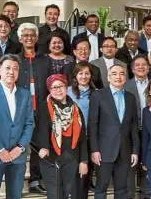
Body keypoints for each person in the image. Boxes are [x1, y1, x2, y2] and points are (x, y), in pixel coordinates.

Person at [0, 54, 34, 199]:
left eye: (15, 68)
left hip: (17, 156)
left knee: (15, 196)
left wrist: (20, 147)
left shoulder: (24, 94)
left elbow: (29, 123)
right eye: (7, 68)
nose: (11, 72)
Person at [88, 64, 139, 199]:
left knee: (122, 190)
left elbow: (134, 126)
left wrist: (135, 151)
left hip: (125, 151)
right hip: (104, 151)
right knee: (101, 189)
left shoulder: (131, 97)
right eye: (114, 73)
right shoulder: (98, 95)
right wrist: (94, 150)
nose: (118, 76)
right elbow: (92, 125)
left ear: (126, 77)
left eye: (122, 73)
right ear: (108, 77)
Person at [36, 74, 88, 199]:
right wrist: (43, 147)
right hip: (51, 158)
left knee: (67, 193)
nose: (58, 90)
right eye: (54, 87)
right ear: (49, 90)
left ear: (66, 87)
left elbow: (82, 138)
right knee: (55, 195)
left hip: (72, 157)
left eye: (61, 86)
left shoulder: (75, 108)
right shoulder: (44, 107)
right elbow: (41, 130)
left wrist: (83, 161)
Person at [16, 22, 50, 195]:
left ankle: (35, 181)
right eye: (25, 35)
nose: (29, 38)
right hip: (20, 110)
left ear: (37, 38)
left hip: (42, 110)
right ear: (20, 38)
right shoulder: (14, 59)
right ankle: (17, 181)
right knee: (19, 144)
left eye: (32, 35)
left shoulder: (45, 60)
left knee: (38, 146)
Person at [67, 61, 96, 199]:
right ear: (75, 75)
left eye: (87, 73)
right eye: (80, 73)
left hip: (89, 139)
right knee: (72, 176)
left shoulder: (96, 94)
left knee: (85, 174)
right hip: (71, 140)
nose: (84, 76)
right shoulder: (67, 92)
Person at [124, 55, 151, 199]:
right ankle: (129, 195)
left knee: (147, 163)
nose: (141, 67)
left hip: (150, 131)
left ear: (148, 67)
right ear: (133, 69)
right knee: (130, 165)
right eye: (138, 65)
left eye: (144, 64)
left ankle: (146, 194)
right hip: (130, 131)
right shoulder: (125, 85)